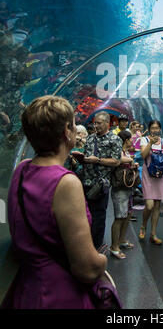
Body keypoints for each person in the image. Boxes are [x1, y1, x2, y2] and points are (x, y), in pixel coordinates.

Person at [1, 95, 107, 309]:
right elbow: (86, 269)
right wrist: (102, 259)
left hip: (26, 289)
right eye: (74, 124)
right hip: (58, 295)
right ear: (67, 131)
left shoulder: (22, 169)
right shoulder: (66, 183)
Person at [80, 112, 122, 249]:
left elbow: (116, 161)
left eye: (98, 123)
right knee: (85, 215)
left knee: (98, 217)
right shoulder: (90, 139)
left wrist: (97, 160)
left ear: (107, 124)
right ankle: (85, 245)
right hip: (85, 182)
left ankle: (96, 246)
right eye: (94, 123)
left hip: (100, 184)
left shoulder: (114, 139)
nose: (95, 125)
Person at [110, 130, 139, 259]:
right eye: (131, 139)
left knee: (127, 214)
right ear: (126, 140)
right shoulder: (118, 152)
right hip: (120, 188)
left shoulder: (127, 152)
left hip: (128, 187)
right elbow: (117, 159)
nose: (132, 141)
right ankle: (114, 247)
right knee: (119, 217)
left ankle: (121, 240)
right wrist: (130, 161)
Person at [139, 120, 163, 245]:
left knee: (157, 205)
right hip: (148, 174)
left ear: (160, 129)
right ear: (149, 129)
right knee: (149, 205)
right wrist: (150, 143)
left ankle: (153, 234)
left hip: (160, 175)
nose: (155, 130)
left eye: (157, 128)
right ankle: (144, 225)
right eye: (152, 127)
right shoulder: (144, 140)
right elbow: (143, 155)